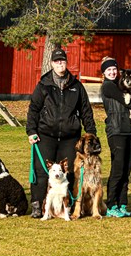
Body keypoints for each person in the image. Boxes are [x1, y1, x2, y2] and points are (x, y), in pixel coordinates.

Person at [26, 47, 97, 218]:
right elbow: (34, 109)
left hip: (70, 137)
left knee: (70, 172)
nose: (60, 64)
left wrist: (91, 134)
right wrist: (31, 131)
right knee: (41, 171)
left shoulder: (76, 86)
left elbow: (86, 111)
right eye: (57, 61)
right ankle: (37, 204)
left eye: (63, 61)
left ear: (66, 63)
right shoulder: (44, 85)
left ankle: (69, 205)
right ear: (51, 63)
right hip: (46, 135)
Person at [100, 56, 131, 218]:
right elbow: (128, 102)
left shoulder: (119, 85)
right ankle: (111, 205)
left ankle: (122, 204)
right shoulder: (108, 87)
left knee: (126, 170)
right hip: (116, 132)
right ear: (104, 73)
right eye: (109, 70)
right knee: (117, 169)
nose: (112, 72)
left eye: (114, 69)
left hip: (129, 130)